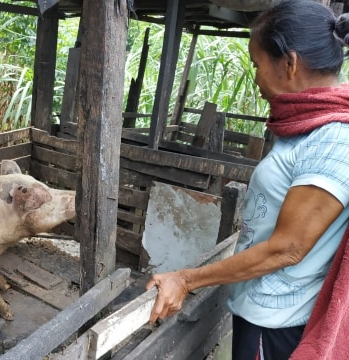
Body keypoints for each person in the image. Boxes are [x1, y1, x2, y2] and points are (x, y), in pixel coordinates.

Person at [145, 1, 349, 359]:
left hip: (278, 322)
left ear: (290, 63)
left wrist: (186, 278)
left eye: (257, 64)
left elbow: (288, 248)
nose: (255, 78)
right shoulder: (304, 126)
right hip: (261, 310)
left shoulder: (332, 140)